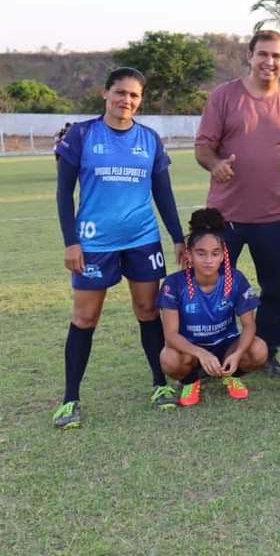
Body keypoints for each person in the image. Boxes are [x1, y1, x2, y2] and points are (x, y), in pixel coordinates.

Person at [52, 67, 186, 429]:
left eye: (134, 95)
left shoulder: (150, 139)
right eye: (120, 93)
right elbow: (64, 192)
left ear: (140, 100)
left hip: (142, 239)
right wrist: (71, 242)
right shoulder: (81, 135)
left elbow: (163, 194)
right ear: (105, 94)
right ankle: (70, 400)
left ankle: (159, 386)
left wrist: (177, 237)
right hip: (94, 242)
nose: (126, 100)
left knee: (147, 311)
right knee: (84, 318)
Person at [194, 30, 280, 377]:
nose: (269, 62)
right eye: (263, 54)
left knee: (274, 289)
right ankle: (211, 353)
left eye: (276, 56)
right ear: (249, 55)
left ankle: (268, 352)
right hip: (224, 217)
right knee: (213, 286)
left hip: (272, 215)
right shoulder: (224, 97)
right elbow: (203, 147)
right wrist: (216, 165)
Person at [158, 208, 268, 407]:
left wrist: (237, 354)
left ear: (222, 255)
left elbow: (249, 326)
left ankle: (230, 374)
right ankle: (191, 381)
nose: (208, 260)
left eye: (214, 253)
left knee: (259, 349)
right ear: (189, 255)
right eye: (201, 253)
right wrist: (200, 353)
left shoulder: (235, 279)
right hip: (191, 350)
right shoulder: (173, 284)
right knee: (168, 358)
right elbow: (171, 335)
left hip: (226, 344)